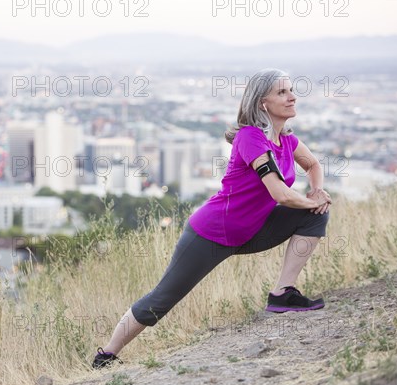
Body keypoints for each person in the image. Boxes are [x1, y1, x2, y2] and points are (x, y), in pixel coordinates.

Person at [92, 68, 332, 369]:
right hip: (211, 234)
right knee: (161, 300)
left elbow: (313, 166)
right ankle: (106, 356)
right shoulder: (251, 138)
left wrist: (317, 192)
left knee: (315, 214)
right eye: (282, 92)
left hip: (253, 231)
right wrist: (310, 199)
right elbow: (280, 194)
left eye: (291, 90)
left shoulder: (287, 140)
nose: (292, 96)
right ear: (262, 103)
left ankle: (283, 293)